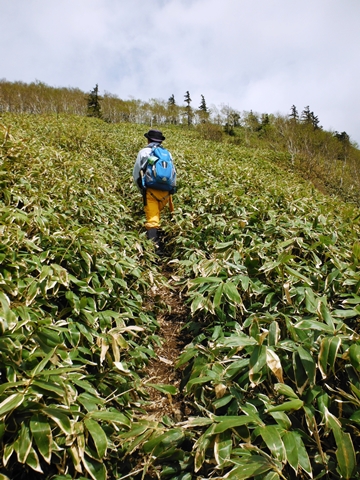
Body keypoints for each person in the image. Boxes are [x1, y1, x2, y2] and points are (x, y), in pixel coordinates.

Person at [133, 129, 175, 252]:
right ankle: (165, 240)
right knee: (160, 215)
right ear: (160, 141)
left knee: (152, 219)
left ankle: (156, 250)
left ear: (148, 140)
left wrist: (141, 188)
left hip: (151, 190)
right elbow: (173, 173)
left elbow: (136, 173)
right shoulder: (167, 154)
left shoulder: (144, 152)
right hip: (166, 191)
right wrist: (171, 190)